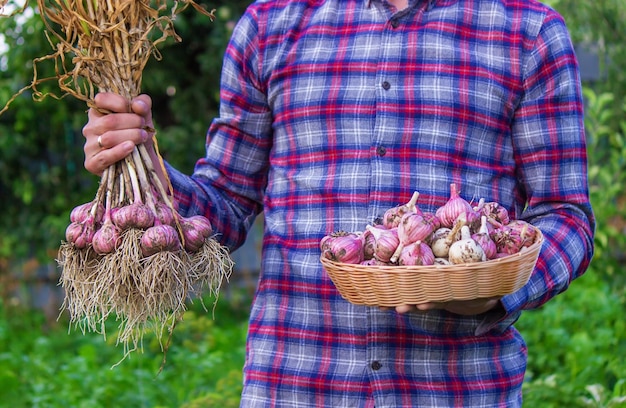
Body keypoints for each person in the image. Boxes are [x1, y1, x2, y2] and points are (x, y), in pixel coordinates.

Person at [82, 0, 595, 406]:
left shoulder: (528, 32)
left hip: (456, 390)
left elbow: (566, 216)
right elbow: (224, 204)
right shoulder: (269, 26)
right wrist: (143, 162)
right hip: (294, 385)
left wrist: (490, 289)